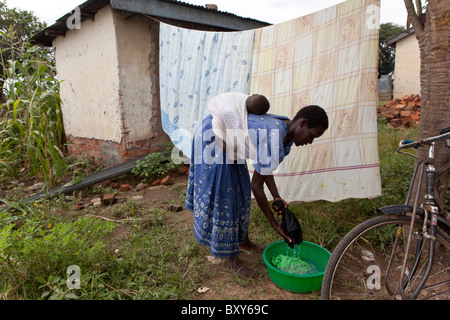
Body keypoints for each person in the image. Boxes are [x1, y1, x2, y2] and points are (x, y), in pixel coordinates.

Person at [185, 92, 329, 279]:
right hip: (214, 135)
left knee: (241, 190)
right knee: (226, 194)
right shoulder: (276, 134)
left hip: (229, 140)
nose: (310, 142)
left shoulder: (285, 132)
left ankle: (243, 241)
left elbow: (265, 168)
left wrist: (276, 197)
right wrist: (274, 223)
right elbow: (257, 186)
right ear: (303, 123)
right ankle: (231, 258)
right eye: (312, 136)